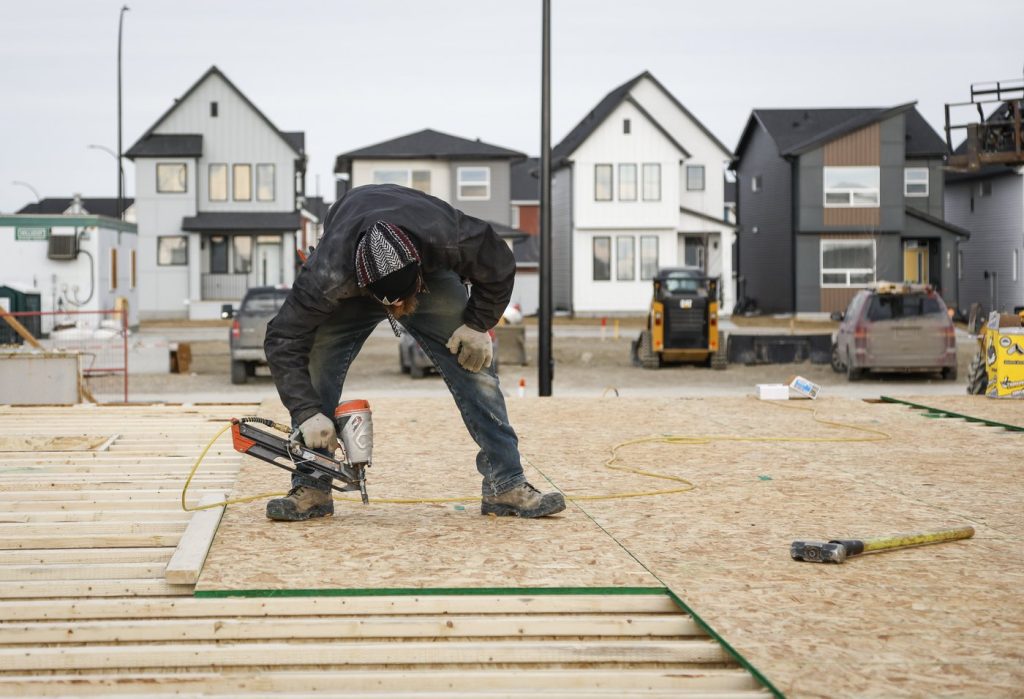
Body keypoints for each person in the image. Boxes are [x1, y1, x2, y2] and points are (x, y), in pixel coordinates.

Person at [262, 183, 565, 521]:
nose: (396, 309)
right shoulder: (327, 275)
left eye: (401, 300)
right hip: (351, 280)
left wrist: (478, 324)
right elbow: (282, 337)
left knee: (474, 367)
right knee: (317, 362)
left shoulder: (448, 236)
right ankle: (312, 487)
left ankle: (506, 484)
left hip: (430, 279)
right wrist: (306, 412)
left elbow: (499, 263)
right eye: (387, 302)